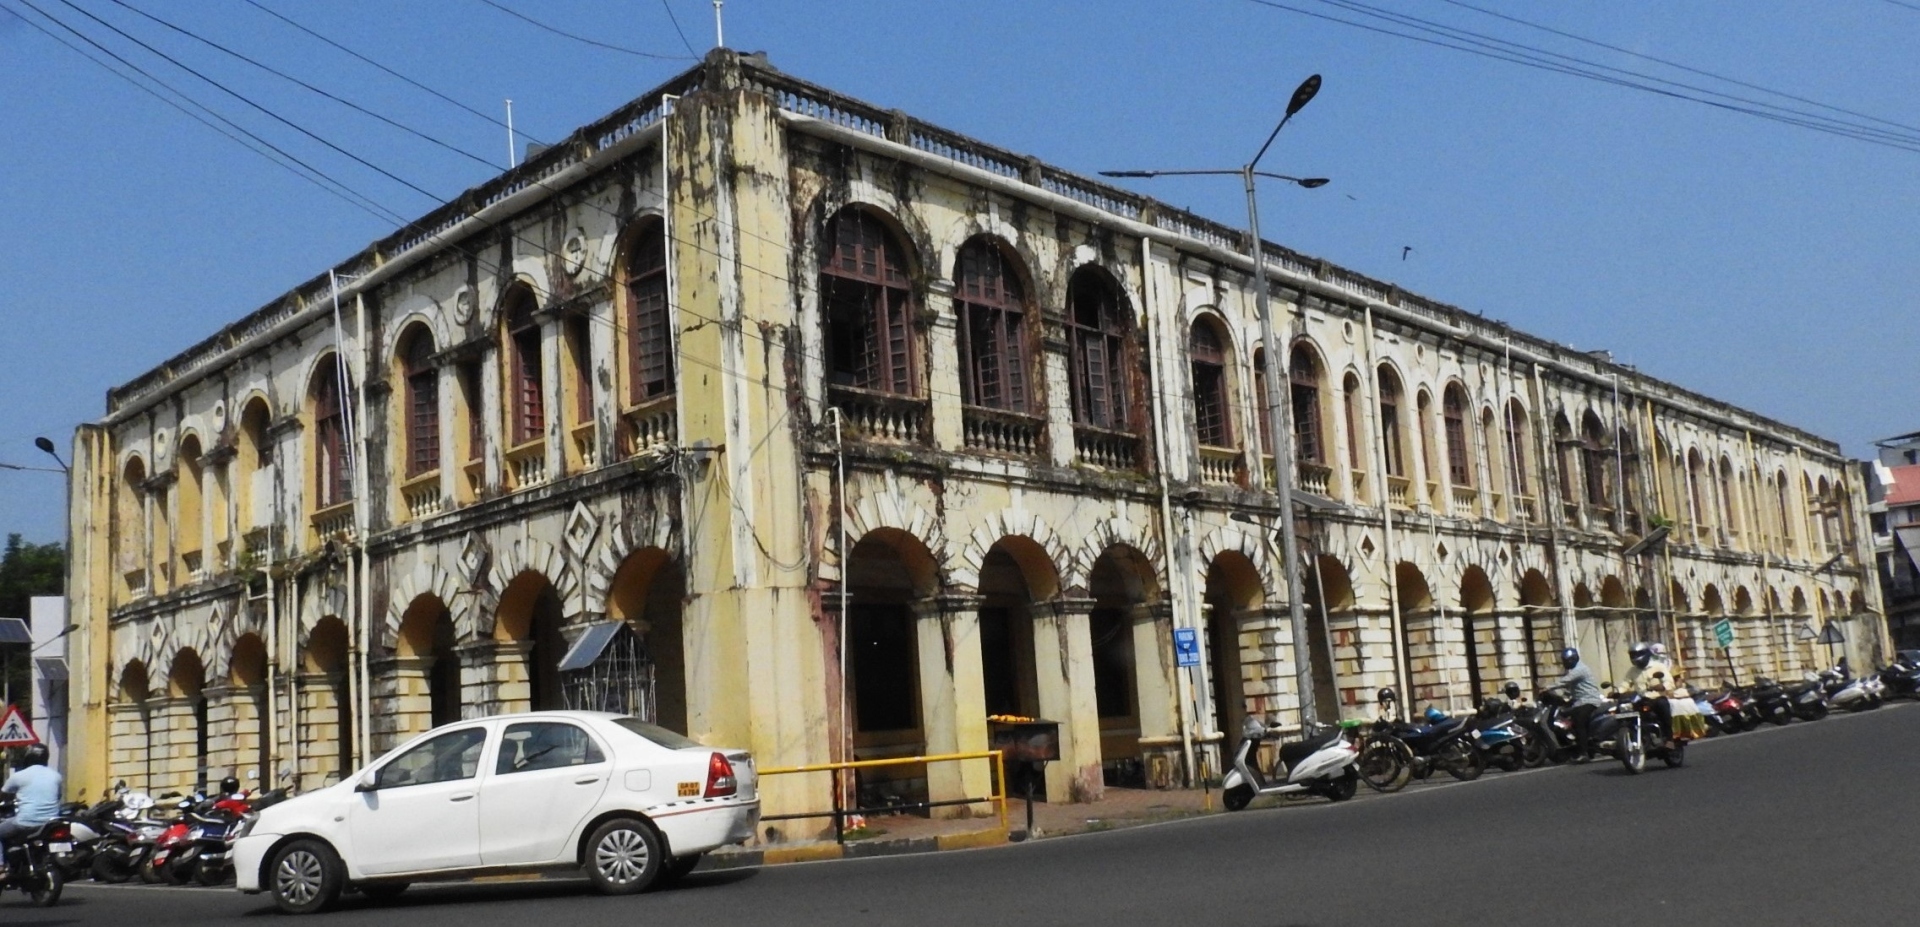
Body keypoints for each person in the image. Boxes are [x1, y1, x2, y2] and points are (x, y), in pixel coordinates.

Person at [0, 744, 63, 874]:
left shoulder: (19, 776)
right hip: (51, 822)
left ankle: (0, 866)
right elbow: (58, 796)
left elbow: (4, 793)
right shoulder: (56, 776)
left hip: (26, 821)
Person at [1557, 647, 1608, 761]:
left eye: (1568, 660)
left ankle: (1583, 752)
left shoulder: (1580, 669)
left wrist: (1547, 687)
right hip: (1579, 701)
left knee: (1579, 720)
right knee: (1566, 716)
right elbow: (1570, 688)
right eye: (1564, 661)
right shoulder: (1572, 670)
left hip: (1589, 700)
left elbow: (1564, 681)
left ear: (1574, 659)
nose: (1565, 663)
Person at [1624, 642, 1676, 741]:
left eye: (1638, 654)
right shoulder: (1632, 671)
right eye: (1633, 655)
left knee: (1663, 708)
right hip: (1641, 700)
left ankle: (1669, 739)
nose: (1636, 657)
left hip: (1657, 698)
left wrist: (1662, 686)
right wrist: (1616, 692)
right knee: (1626, 713)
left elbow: (1669, 682)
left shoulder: (1658, 666)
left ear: (1646, 653)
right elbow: (1625, 684)